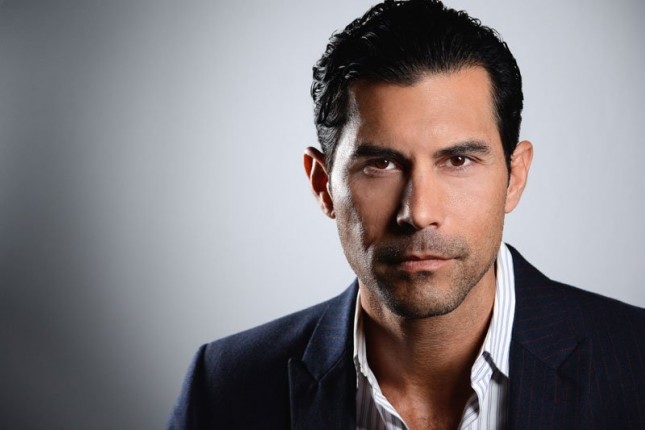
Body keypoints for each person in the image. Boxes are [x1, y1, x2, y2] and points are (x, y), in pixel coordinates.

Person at [168, 0, 645, 428]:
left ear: (514, 177)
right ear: (322, 185)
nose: (418, 212)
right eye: (380, 164)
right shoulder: (227, 387)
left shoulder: (635, 364)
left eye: (458, 160)